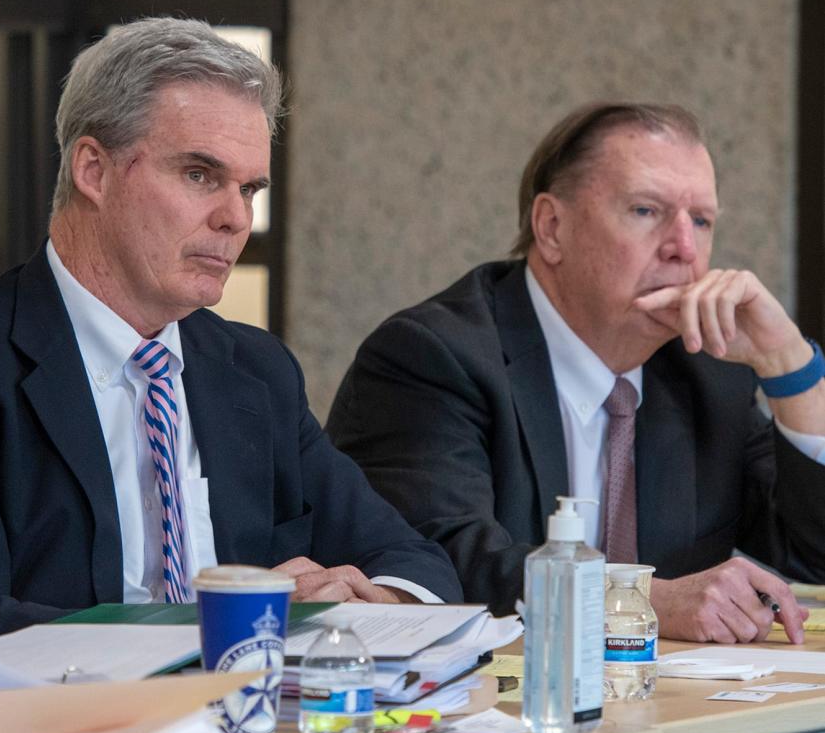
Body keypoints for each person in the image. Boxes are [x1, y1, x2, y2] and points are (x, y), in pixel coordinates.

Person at [0, 17, 463, 642]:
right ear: (93, 169)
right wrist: (216, 627)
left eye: (249, 189)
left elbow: (415, 562)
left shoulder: (255, 368)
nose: (235, 218)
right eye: (200, 176)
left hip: (248, 730)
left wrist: (370, 598)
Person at [328, 102, 825, 644]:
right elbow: (438, 566)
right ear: (552, 227)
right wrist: (640, 600)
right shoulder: (433, 356)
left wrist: (788, 366)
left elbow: (811, 558)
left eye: (701, 221)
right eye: (645, 210)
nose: (684, 248)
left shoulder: (709, 371)